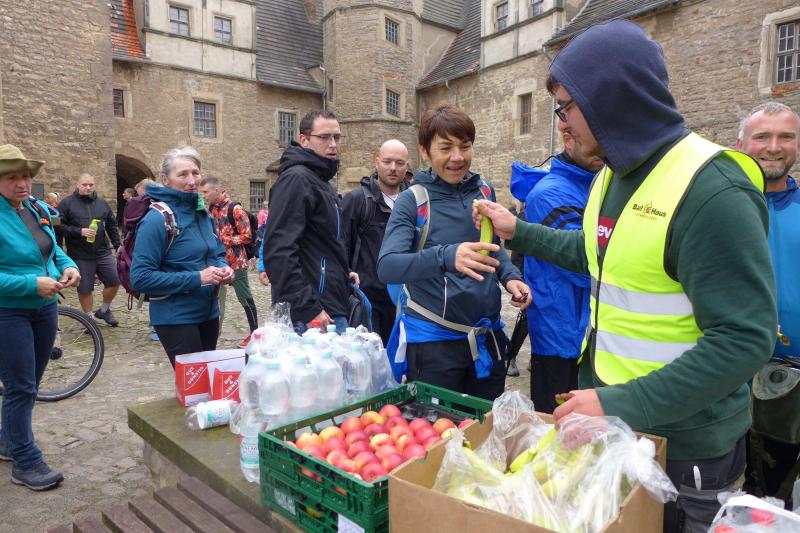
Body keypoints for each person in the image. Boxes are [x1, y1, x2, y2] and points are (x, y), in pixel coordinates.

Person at [474, 20, 775, 532]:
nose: (561, 125)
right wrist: (517, 231)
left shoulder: (713, 191)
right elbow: (600, 254)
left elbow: (744, 340)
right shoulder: (612, 175)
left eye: (565, 108)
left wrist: (617, 402)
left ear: (609, 100)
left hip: (687, 443)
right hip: (620, 425)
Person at [377, 103, 531, 401]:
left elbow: (491, 248)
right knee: (440, 427)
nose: (457, 157)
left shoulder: (483, 191)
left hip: (487, 340)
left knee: (485, 425)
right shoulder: (413, 200)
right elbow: (387, 266)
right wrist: (447, 256)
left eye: (465, 146)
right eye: (446, 147)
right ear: (425, 151)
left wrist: (511, 277)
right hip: (434, 345)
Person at [0, 144, 81, 490]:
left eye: (26, 176)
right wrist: (31, 284)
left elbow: (52, 249)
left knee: (28, 383)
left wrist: (70, 266)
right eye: (12, 177)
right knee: (21, 386)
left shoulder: (34, 207)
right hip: (8, 312)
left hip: (44, 309)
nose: (22, 183)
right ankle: (25, 461)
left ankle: (7, 441)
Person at [508, 129, 603, 413]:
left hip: (585, 334)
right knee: (558, 425)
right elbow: (586, 266)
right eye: (595, 141)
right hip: (562, 338)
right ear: (568, 139)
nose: (604, 149)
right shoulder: (550, 193)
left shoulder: (594, 184)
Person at [736, 102, 800, 506]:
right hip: (727, 380)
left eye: (785, 137)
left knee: (777, 498)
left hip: (791, 387)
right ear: (740, 144)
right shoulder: (719, 210)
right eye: (762, 136)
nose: (773, 146)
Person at [130, 147, 233, 367]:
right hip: (176, 317)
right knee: (194, 384)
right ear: (165, 180)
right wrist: (199, 277)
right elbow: (140, 278)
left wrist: (224, 268)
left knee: (208, 380)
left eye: (195, 173)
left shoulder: (203, 213)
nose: (192, 181)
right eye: (183, 174)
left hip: (208, 312)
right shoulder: (157, 219)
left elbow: (216, 253)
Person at [260, 110, 358, 334]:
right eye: (324, 137)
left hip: (331, 304)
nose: (332, 144)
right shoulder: (296, 179)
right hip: (312, 314)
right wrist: (308, 308)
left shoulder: (321, 181)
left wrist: (341, 273)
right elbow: (279, 251)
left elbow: (321, 244)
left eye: (337, 137)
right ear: (304, 140)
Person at [341, 139, 410, 345]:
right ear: (376, 161)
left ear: (407, 166)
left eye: (399, 163)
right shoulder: (357, 201)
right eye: (387, 161)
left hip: (408, 302)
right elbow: (341, 245)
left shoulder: (416, 202)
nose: (393, 168)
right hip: (370, 302)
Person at [198, 175, 259, 348]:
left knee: (245, 299)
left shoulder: (235, 209)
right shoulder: (209, 209)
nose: (203, 196)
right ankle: (212, 335)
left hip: (236, 262)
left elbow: (247, 236)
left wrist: (223, 239)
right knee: (214, 300)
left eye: (205, 192)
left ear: (217, 190)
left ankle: (255, 334)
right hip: (216, 262)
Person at [58, 173, 122, 326]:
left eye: (91, 185)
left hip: (102, 251)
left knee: (114, 280)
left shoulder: (102, 203)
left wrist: (118, 245)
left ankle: (104, 310)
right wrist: (79, 231)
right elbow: (59, 227)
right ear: (77, 184)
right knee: (85, 288)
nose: (88, 188)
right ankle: (89, 319)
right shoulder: (66, 203)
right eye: (85, 185)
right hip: (79, 254)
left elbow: (112, 226)